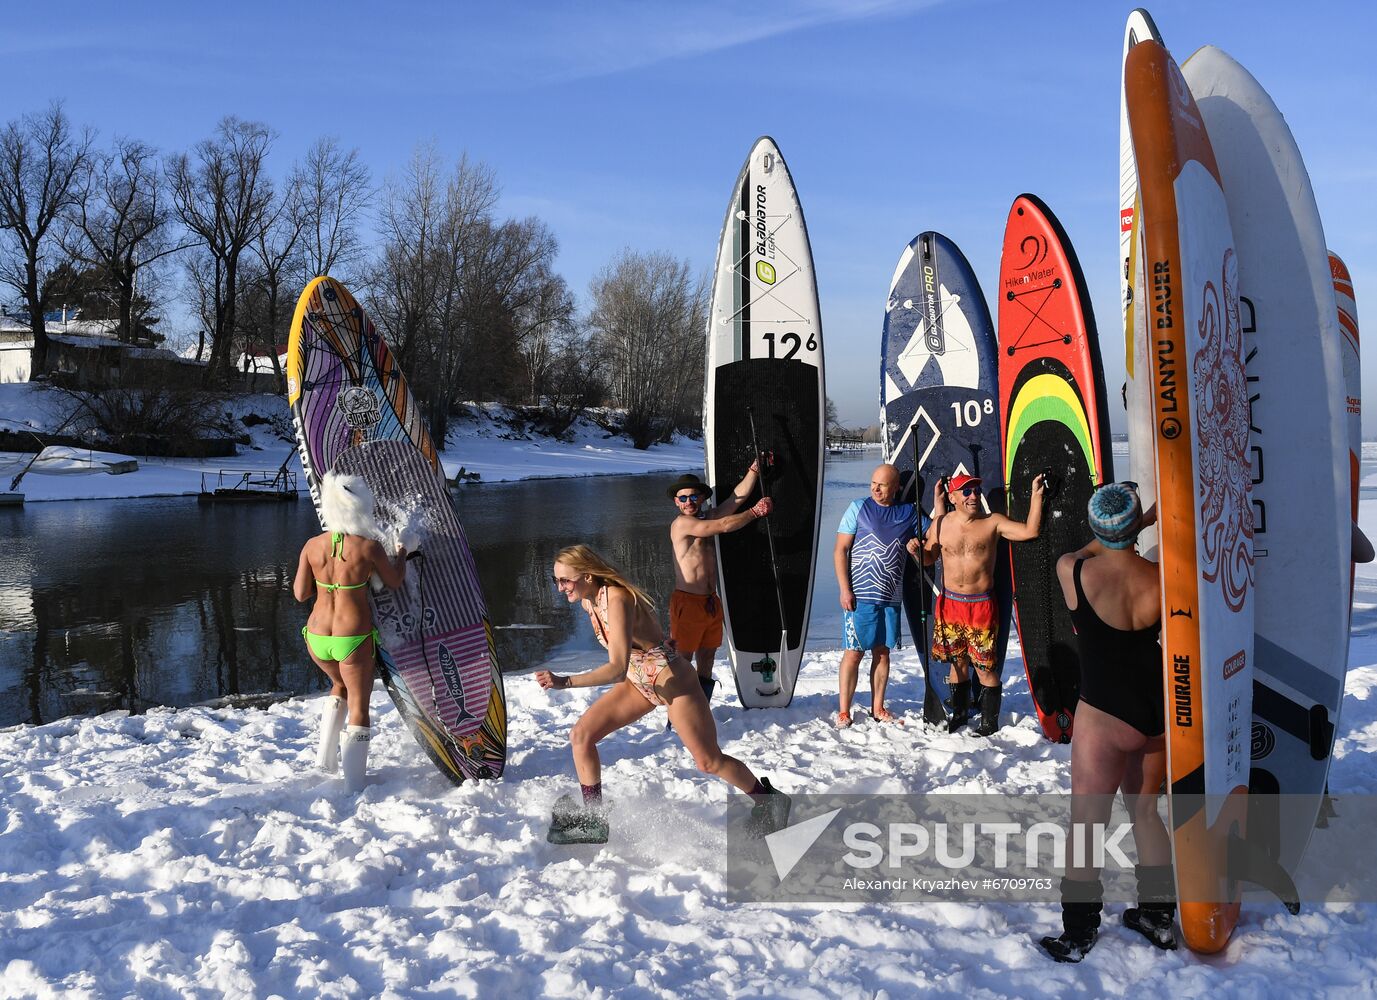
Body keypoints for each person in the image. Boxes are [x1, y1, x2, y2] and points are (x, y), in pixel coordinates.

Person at [536, 544, 789, 843]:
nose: (560, 588)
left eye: (565, 580)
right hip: (640, 684)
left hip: (675, 685)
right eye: (556, 581)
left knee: (708, 761)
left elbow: (616, 668)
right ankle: (594, 818)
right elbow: (639, 641)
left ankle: (768, 800)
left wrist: (565, 681)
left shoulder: (616, 597)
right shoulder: (589, 602)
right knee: (581, 735)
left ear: (588, 576)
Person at [1039, 483, 1174, 962]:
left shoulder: (1073, 570)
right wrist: (1145, 523)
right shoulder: (1162, 576)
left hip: (1103, 715)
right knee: (1145, 813)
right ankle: (1157, 917)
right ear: (1136, 526)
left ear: (1096, 526)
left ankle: (1078, 934)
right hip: (1154, 711)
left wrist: (1131, 525)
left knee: (1087, 826)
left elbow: (1083, 547)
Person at [293, 472, 408, 791]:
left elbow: (301, 594)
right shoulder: (368, 547)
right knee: (359, 702)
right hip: (352, 638)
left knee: (338, 685)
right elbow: (395, 581)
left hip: (316, 638)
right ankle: (354, 784)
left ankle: (324, 761)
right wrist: (402, 554)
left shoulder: (312, 545)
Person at [914, 471, 1046, 735]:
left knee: (985, 667)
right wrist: (918, 552)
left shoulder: (992, 523)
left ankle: (989, 723)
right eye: (966, 491)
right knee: (957, 664)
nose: (973, 496)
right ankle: (960, 715)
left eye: (976, 490)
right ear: (953, 497)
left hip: (981, 607)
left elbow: (1030, 531)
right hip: (950, 605)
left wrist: (1037, 496)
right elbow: (929, 559)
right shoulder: (940, 524)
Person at [832, 464, 942, 727]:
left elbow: (935, 536)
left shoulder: (909, 513)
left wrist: (938, 504)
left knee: (882, 653)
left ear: (896, 488)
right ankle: (844, 711)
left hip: (890, 598)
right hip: (859, 596)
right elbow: (840, 551)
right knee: (853, 653)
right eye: (873, 483)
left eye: (882, 485)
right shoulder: (858, 508)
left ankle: (877, 707)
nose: (875, 489)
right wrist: (844, 589)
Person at [666, 463, 775, 700]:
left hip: (710, 602)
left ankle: (701, 706)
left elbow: (738, 497)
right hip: (687, 603)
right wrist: (755, 512)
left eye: (693, 496)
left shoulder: (708, 515)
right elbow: (724, 526)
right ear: (676, 502)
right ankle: (677, 716)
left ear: (703, 497)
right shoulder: (682, 524)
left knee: (707, 658)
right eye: (682, 497)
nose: (688, 501)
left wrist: (754, 471)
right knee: (682, 661)